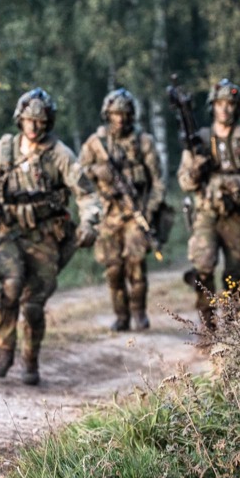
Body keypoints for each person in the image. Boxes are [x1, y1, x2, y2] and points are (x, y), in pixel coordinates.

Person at [0, 88, 101, 385]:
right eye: (29, 120)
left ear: (48, 122)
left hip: (45, 236)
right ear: (20, 120)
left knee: (33, 303)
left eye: (40, 121)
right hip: (8, 232)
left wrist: (89, 223)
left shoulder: (59, 154)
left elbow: (85, 192)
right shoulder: (4, 149)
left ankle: (30, 358)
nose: (34, 126)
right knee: (11, 285)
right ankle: (3, 349)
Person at [177, 79, 240, 331]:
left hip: (236, 214)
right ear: (213, 107)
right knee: (203, 266)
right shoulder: (198, 142)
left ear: (236, 108)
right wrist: (195, 172)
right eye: (220, 104)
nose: (225, 109)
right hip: (206, 212)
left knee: (235, 272)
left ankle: (231, 328)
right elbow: (184, 180)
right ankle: (208, 326)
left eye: (230, 104)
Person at [79, 88, 166, 332]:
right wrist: (96, 172)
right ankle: (121, 315)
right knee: (113, 269)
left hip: (135, 214)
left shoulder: (144, 142)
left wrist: (149, 210)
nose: (120, 119)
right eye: (116, 114)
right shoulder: (95, 144)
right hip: (108, 214)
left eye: (125, 114)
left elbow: (158, 181)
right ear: (107, 115)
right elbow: (78, 174)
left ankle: (139, 312)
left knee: (136, 265)